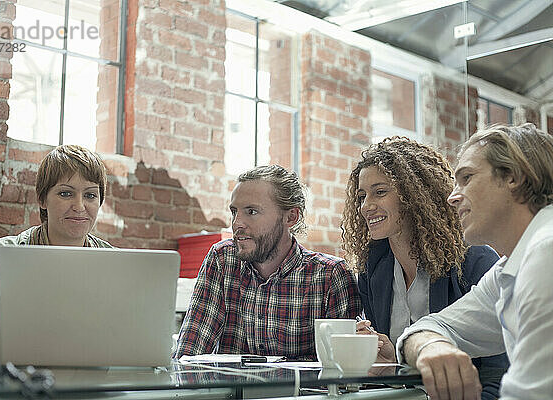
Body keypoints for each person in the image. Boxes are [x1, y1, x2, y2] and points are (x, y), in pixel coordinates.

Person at [341, 136, 507, 399]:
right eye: (362, 196)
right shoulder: (372, 268)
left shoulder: (475, 261)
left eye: (380, 191)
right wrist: (390, 362)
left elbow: (498, 375)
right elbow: (399, 375)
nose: (365, 206)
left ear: (414, 193)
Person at [397, 123, 553, 400]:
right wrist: (431, 345)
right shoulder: (507, 269)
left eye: (466, 178)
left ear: (513, 176)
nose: (452, 197)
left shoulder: (546, 251)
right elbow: (430, 327)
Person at [174, 165, 360, 359]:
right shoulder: (222, 260)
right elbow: (189, 354)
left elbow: (344, 369)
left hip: (301, 390)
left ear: (291, 217)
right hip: (232, 390)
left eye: (251, 212)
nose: (237, 223)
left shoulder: (331, 275)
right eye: (234, 212)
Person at [0, 144, 112, 280]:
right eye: (65, 193)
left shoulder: (114, 261)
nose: (79, 207)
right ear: (42, 199)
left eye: (90, 195)